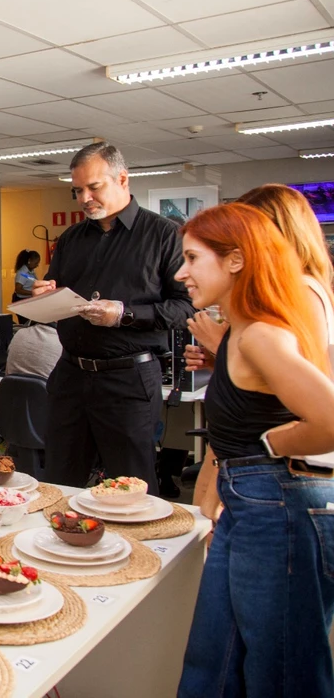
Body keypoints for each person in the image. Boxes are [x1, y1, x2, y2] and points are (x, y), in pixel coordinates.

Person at [174, 204, 334, 696]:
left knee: (282, 670)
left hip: (275, 508)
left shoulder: (262, 333)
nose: (181, 274)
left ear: (237, 261)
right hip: (252, 506)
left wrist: (271, 443)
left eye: (192, 259)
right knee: (213, 658)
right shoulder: (242, 332)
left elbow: (328, 420)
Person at [32, 143, 193, 494]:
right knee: (59, 484)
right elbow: (58, 290)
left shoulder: (164, 236)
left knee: (129, 488)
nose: (84, 197)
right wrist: (46, 295)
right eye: (77, 190)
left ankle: (134, 550)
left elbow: (185, 308)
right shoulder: (72, 238)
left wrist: (124, 314)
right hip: (71, 376)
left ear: (122, 178)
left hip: (128, 379)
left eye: (94, 187)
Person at [187, 183, 333, 370]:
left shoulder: (303, 291)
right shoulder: (276, 289)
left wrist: (219, 344)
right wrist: (216, 359)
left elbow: (297, 379)